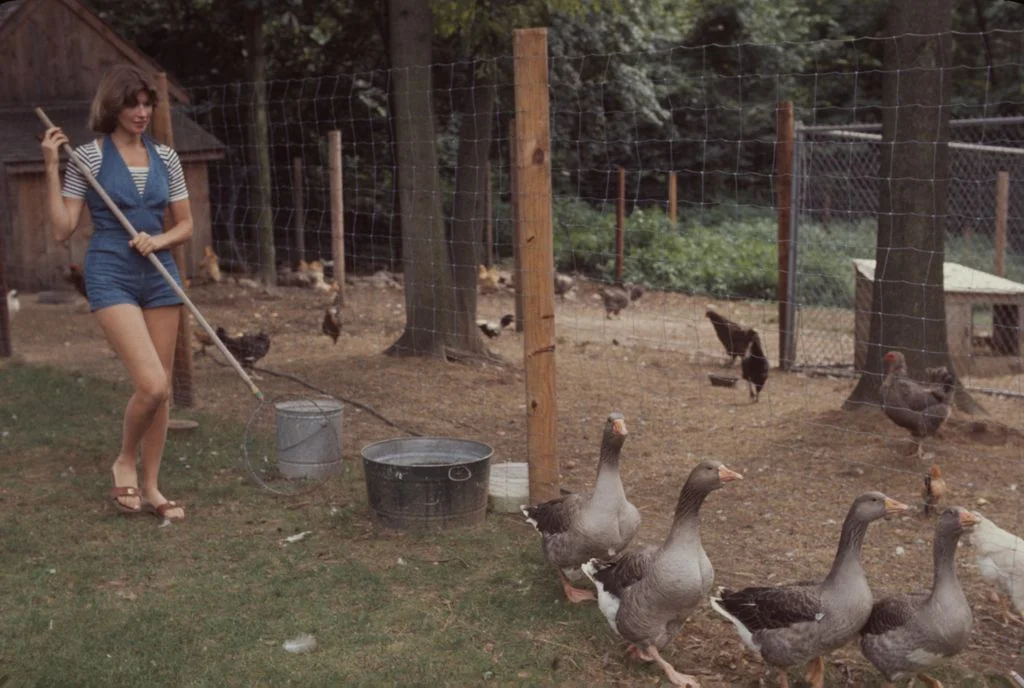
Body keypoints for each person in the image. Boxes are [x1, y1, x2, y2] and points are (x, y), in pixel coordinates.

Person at [41, 64, 192, 523]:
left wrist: (159, 241)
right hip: (110, 272)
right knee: (151, 383)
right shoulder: (85, 157)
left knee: (162, 391)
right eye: (133, 104)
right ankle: (124, 459)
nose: (142, 112)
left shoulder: (166, 158)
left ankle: (150, 485)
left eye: (147, 104)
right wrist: (51, 166)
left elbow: (185, 225)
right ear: (113, 106)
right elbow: (64, 229)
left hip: (159, 272)